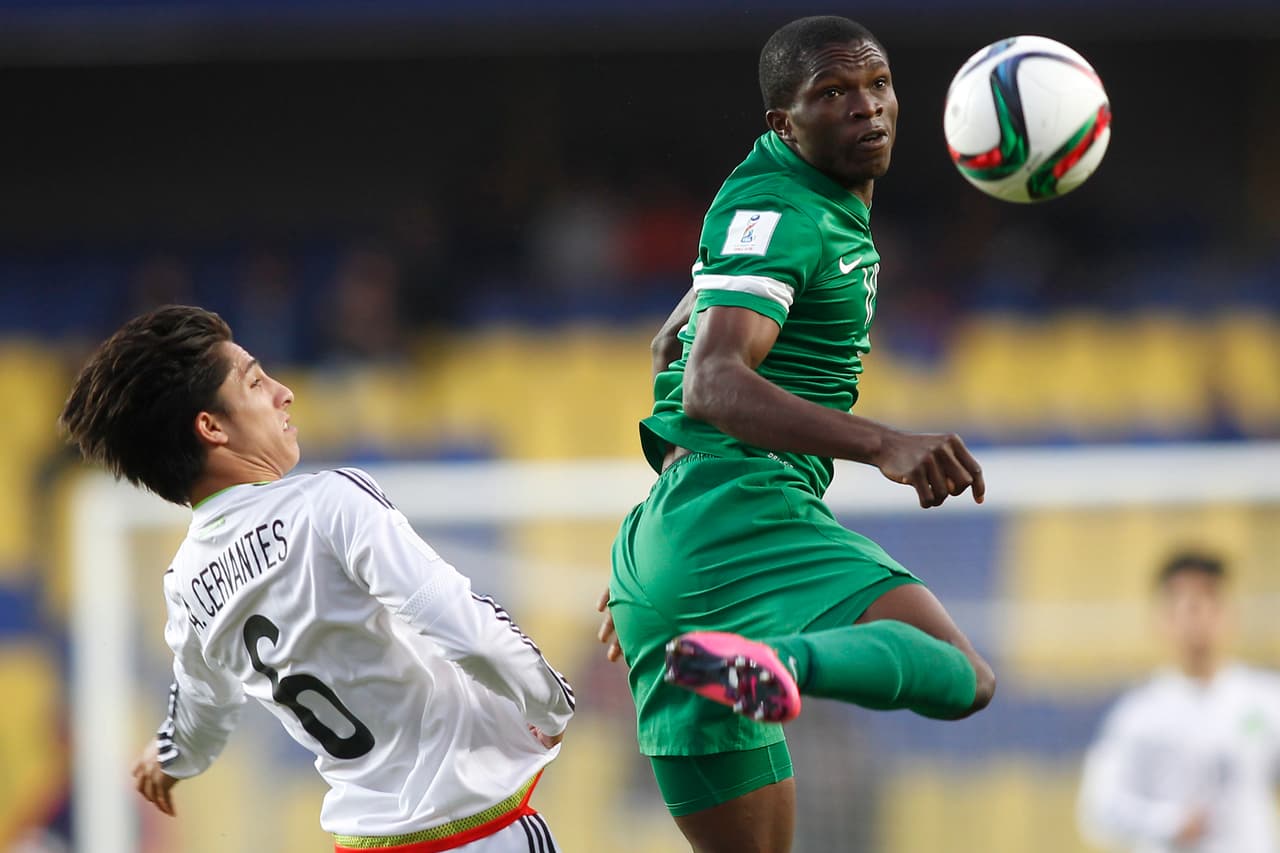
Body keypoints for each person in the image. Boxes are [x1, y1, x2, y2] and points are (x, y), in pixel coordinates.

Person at [596, 15, 995, 853]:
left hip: (668, 549)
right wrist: (884, 443)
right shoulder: (783, 207)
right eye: (834, 92)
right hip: (744, 508)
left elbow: (672, 345)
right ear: (786, 122)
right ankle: (774, 659)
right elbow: (708, 379)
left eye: (878, 84)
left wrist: (673, 545)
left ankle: (740, 651)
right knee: (964, 674)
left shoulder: (778, 195)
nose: (867, 106)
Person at [59, 305, 573, 853]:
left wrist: (170, 758)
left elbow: (202, 710)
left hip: (365, 841)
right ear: (211, 427)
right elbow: (459, 624)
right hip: (480, 831)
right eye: (255, 382)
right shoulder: (328, 504)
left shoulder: (186, 585)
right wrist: (550, 704)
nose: (284, 393)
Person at [1078, 552, 1280, 853]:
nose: (1197, 617)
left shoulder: (1266, 701)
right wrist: (1168, 823)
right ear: (1162, 619)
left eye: (1208, 601)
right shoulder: (1137, 715)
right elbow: (1099, 808)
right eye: (1184, 605)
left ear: (1230, 614)